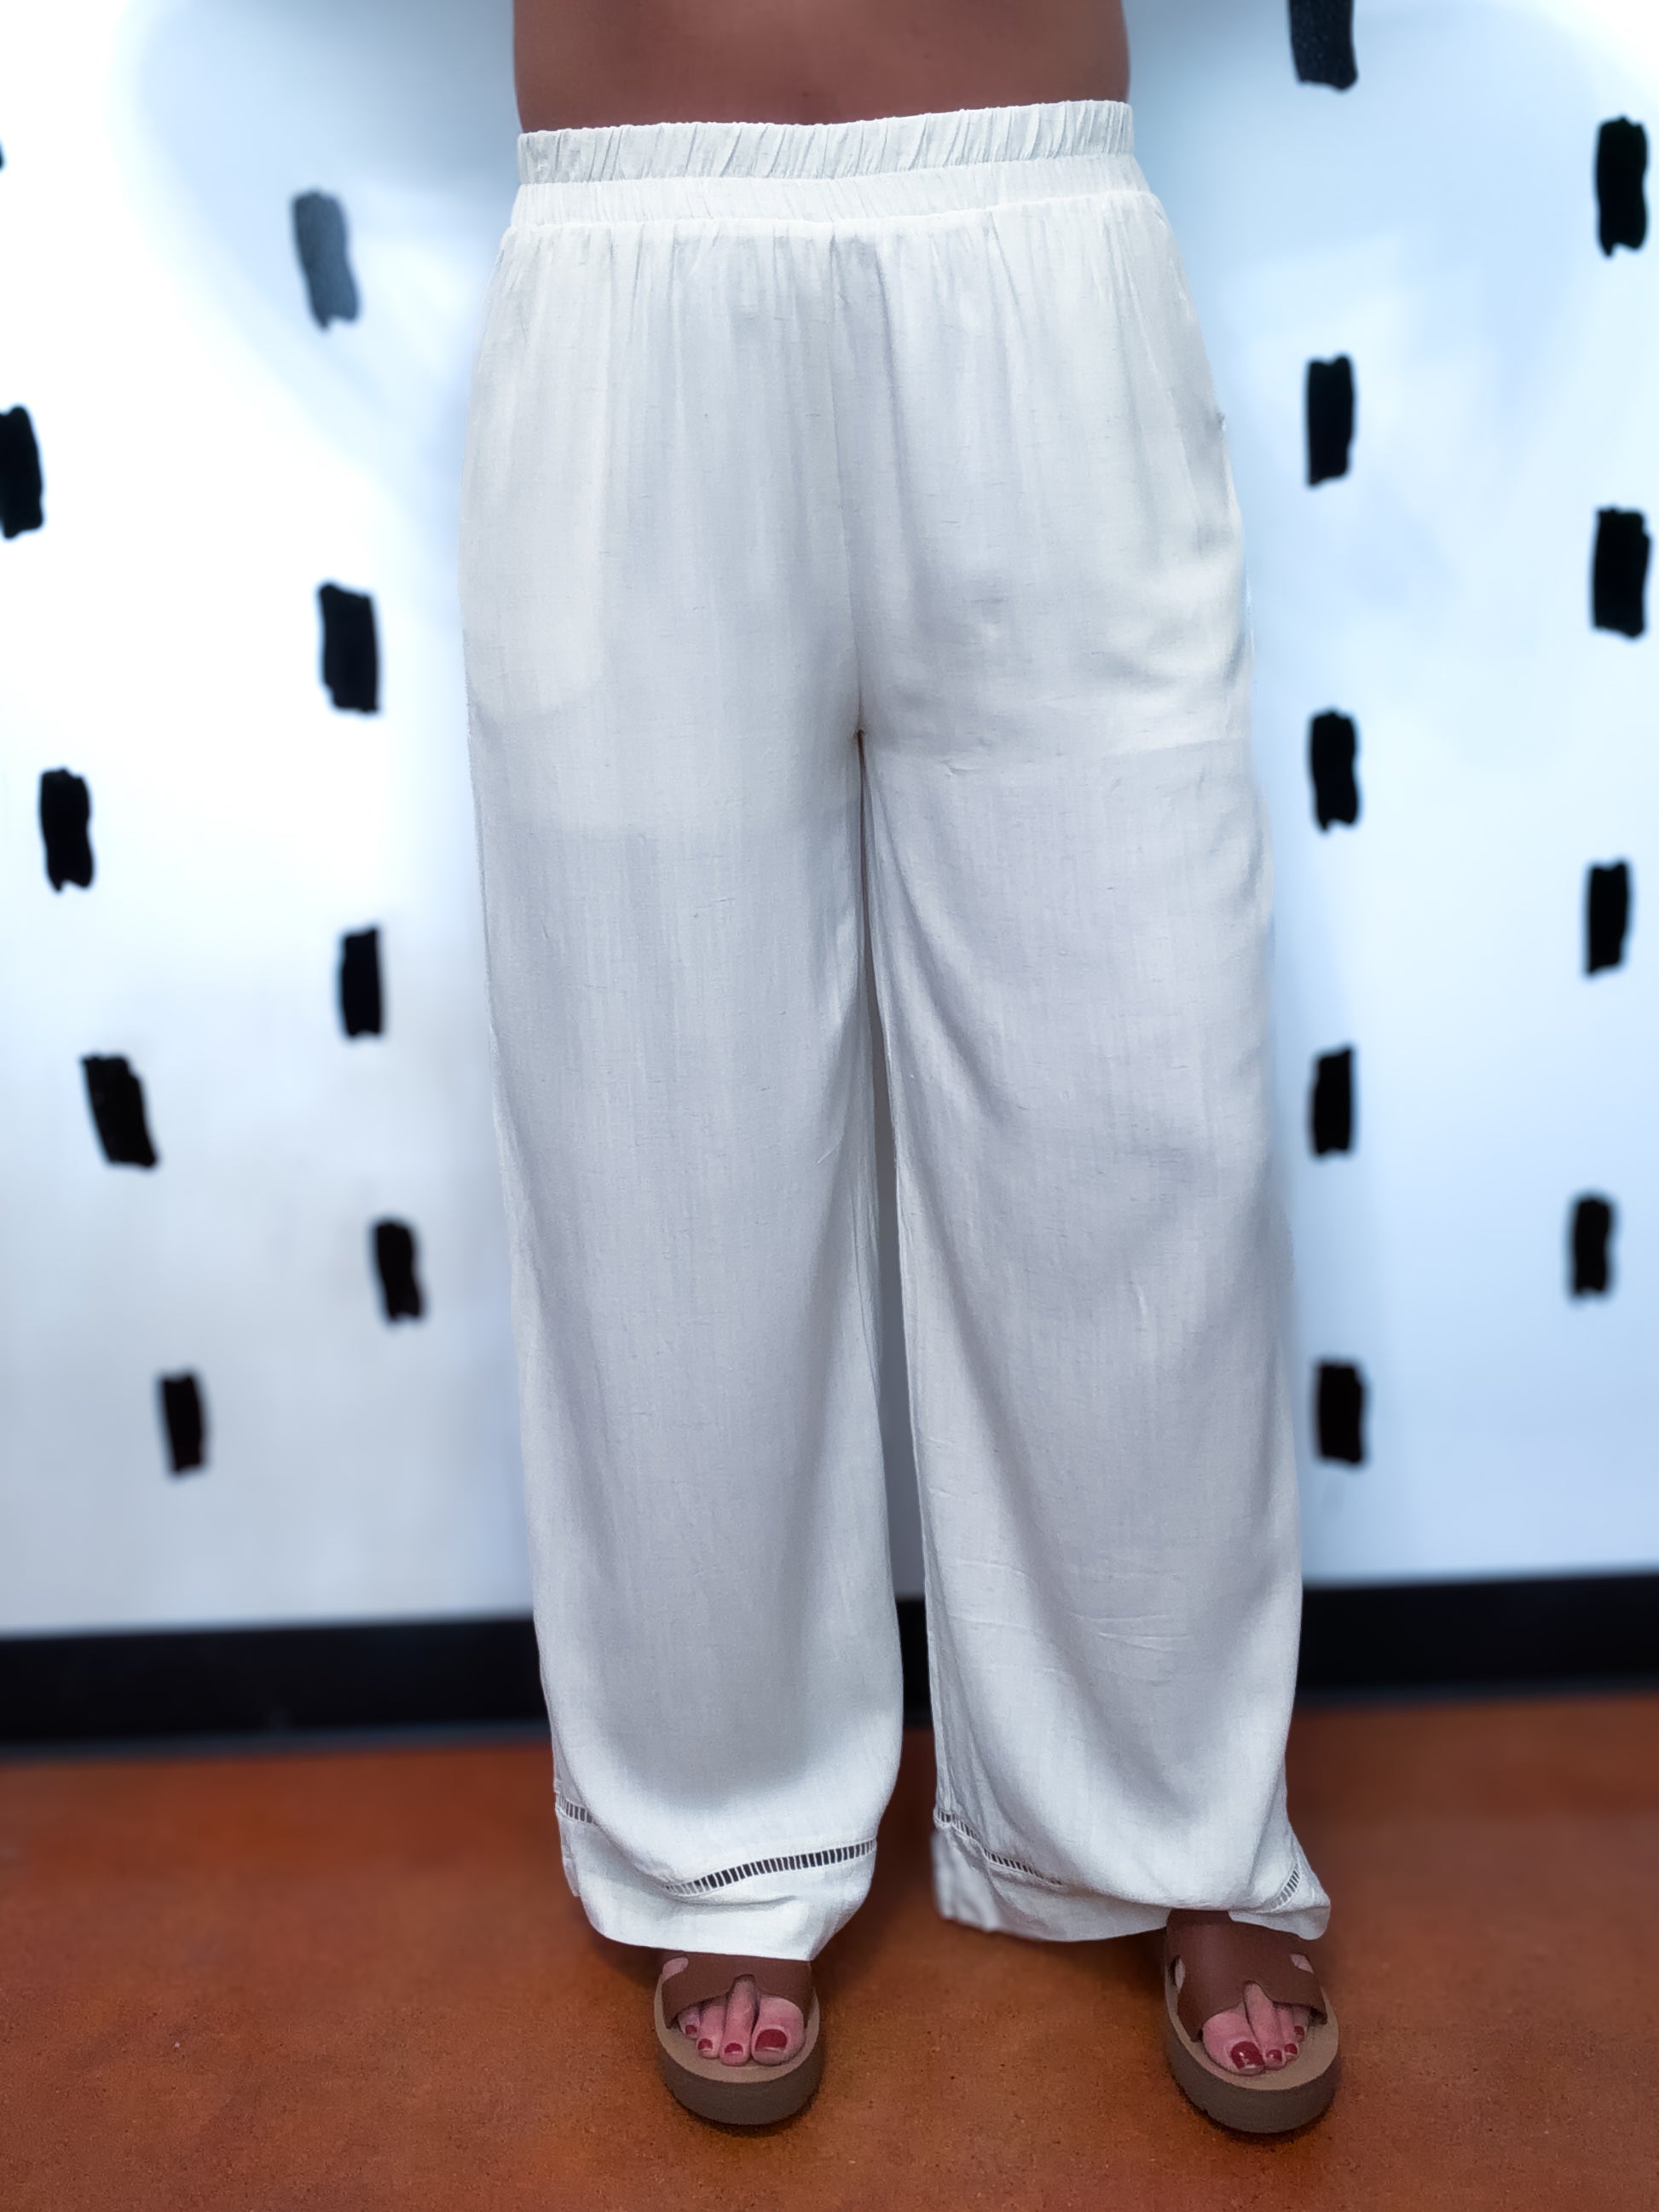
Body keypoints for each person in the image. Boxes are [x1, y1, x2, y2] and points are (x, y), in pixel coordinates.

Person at [457, 0, 1340, 2134]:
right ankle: (719, 1832)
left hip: (1034, 231)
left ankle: (1176, 1815)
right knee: (659, 1114)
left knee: (1142, 1103)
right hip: (635, 250)